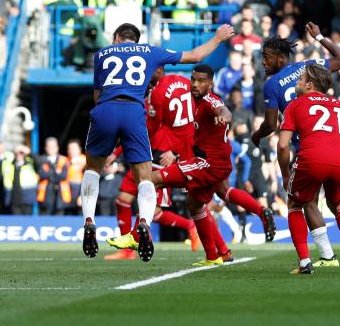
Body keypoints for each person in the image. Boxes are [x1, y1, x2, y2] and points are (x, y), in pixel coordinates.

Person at [81, 22, 234, 262]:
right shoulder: (150, 51)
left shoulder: (102, 54)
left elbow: (97, 96)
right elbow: (195, 55)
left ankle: (89, 221)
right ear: (136, 39)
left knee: (92, 170)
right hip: (134, 112)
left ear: (116, 37)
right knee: (144, 177)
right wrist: (217, 38)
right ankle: (143, 222)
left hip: (105, 110)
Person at [251, 24, 340, 266]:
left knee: (303, 201)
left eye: (266, 57)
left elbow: (271, 125)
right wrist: (320, 37)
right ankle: (335, 254)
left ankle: (325, 255)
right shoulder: (310, 67)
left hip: (310, 148)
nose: (263, 62)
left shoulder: (272, 84)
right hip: (336, 134)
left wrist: (257, 135)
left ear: (281, 57)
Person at [277, 64, 340, 274]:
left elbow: (283, 144)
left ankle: (304, 262)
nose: (297, 82)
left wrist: (285, 175)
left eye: (300, 79)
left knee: (294, 204)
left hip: (312, 159)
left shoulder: (294, 105)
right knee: (338, 204)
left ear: (310, 84)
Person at [106, 69, 201, 260]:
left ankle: (190, 226)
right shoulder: (179, 84)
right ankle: (128, 250)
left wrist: (175, 152)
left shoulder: (159, 94)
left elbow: (157, 127)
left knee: (151, 210)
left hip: (160, 156)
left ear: (157, 70)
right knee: (123, 200)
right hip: (149, 154)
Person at [147, 65, 234, 266]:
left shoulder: (209, 100)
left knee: (152, 182)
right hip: (196, 156)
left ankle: (137, 233)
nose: (194, 84)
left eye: (200, 81)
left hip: (203, 161)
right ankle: (219, 253)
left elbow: (222, 109)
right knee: (196, 204)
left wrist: (225, 116)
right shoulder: (193, 99)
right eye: (193, 79)